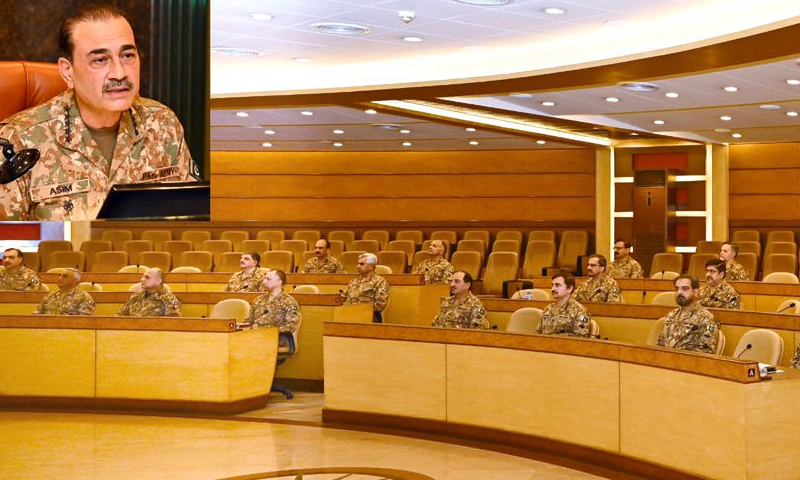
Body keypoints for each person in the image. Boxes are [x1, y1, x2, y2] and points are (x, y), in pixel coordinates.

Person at [0, 4, 199, 221]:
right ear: (68, 71)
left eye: (127, 55)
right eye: (100, 60)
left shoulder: (162, 124)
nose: (119, 73)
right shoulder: (19, 142)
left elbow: (190, 219)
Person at [657, 274, 720, 354]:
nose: (679, 292)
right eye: (676, 289)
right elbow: (661, 344)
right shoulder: (671, 315)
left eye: (685, 289)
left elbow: (707, 351)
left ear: (696, 292)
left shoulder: (706, 318)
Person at [243, 269, 301, 347]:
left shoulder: (289, 301)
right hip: (255, 337)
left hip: (277, 339)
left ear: (279, 282)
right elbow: (248, 321)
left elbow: (290, 326)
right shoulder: (259, 299)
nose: (264, 281)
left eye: (268, 279)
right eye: (264, 278)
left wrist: (267, 332)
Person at [536, 270, 592, 337]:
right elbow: (538, 333)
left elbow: (580, 337)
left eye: (557, 285)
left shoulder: (579, 311)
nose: (553, 289)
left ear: (569, 289)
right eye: (552, 285)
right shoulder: (548, 308)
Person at [341, 253, 390, 322]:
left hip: (370, 317)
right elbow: (344, 297)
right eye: (357, 264)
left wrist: (359, 310)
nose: (358, 266)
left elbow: (380, 305)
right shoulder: (353, 281)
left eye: (362, 264)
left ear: (371, 266)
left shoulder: (380, 282)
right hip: (350, 315)